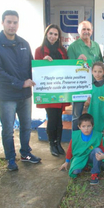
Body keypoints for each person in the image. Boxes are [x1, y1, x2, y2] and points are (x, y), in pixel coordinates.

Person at [0, 10, 41, 171]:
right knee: (8, 129)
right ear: (2, 22)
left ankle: (25, 153)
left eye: (15, 22)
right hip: (7, 96)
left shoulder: (24, 43)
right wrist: (20, 83)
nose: (12, 25)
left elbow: (32, 66)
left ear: (18, 24)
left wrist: (43, 66)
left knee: (26, 126)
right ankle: (11, 158)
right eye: (9, 22)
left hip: (24, 95)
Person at [34, 24, 70, 157]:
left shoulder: (62, 50)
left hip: (60, 89)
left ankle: (58, 143)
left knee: (59, 118)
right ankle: (52, 144)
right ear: (46, 34)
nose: (53, 36)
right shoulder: (39, 50)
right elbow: (36, 69)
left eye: (55, 34)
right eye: (51, 33)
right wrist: (43, 62)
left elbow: (66, 67)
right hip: (48, 91)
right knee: (52, 118)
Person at [67, 21, 103, 131]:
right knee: (77, 115)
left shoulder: (96, 45)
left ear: (92, 31)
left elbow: (100, 64)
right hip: (79, 87)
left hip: (94, 86)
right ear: (78, 31)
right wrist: (77, 61)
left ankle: (94, 140)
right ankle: (77, 141)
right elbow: (69, 68)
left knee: (94, 113)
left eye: (88, 29)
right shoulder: (73, 47)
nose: (86, 32)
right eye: (83, 29)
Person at [59, 113, 104, 185]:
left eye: (89, 126)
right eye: (83, 126)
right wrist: (66, 162)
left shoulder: (97, 136)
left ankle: (95, 174)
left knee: (98, 151)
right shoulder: (75, 136)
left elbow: (103, 149)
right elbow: (70, 150)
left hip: (92, 156)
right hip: (80, 157)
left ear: (92, 126)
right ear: (79, 127)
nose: (86, 129)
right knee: (75, 172)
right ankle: (85, 166)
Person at [84, 62, 104, 133]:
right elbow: (85, 104)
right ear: (91, 72)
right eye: (95, 71)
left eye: (100, 71)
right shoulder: (89, 86)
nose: (97, 74)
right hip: (92, 115)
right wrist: (86, 104)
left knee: (103, 135)